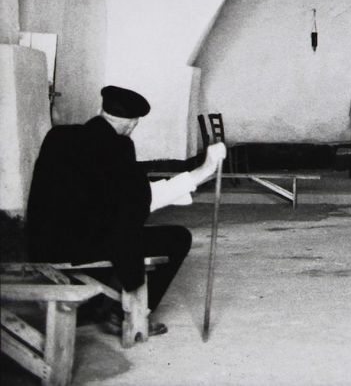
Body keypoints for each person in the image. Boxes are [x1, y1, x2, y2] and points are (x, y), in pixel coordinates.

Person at [26, 85, 226, 337]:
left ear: (100, 110)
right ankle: (127, 313)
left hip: (41, 243)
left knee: (113, 229)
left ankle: (96, 307)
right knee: (175, 238)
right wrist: (203, 171)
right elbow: (140, 203)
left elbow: (113, 199)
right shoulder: (118, 148)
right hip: (78, 246)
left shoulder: (58, 136)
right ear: (132, 124)